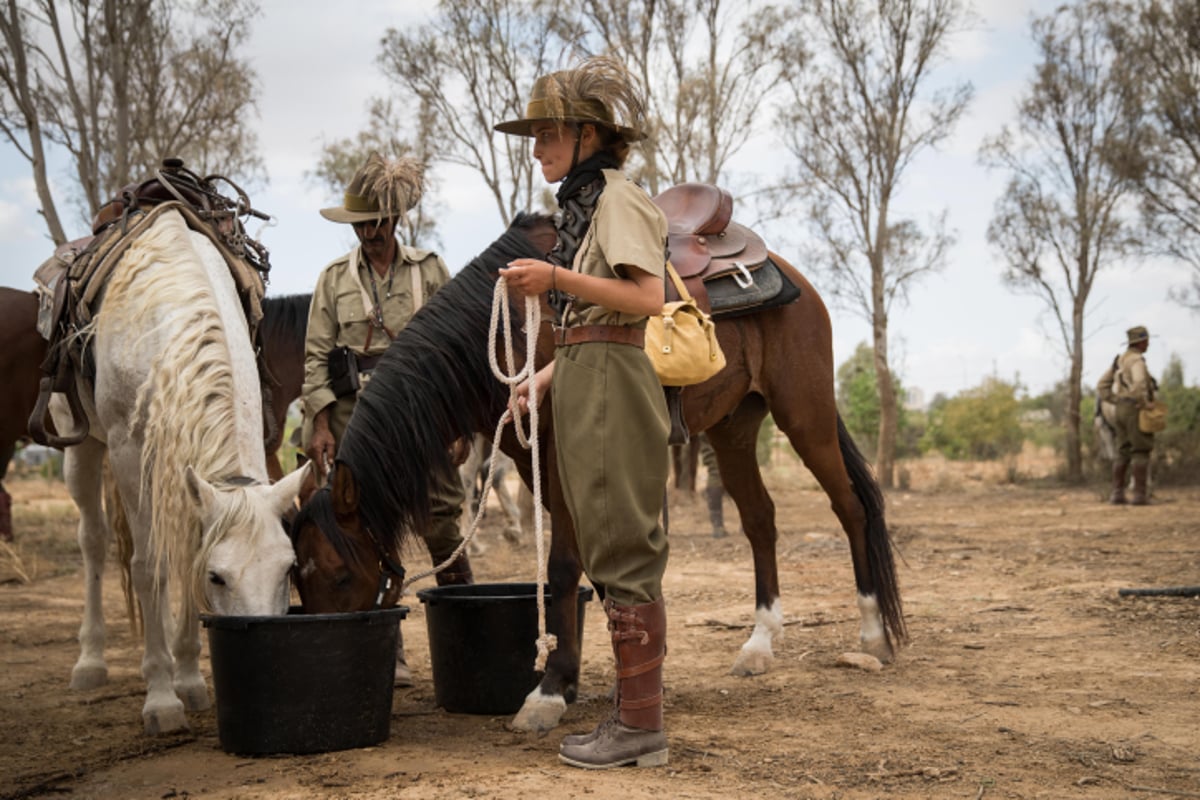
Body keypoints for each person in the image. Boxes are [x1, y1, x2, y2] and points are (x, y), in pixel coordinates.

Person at [495, 56, 671, 769]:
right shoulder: (584, 202)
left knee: (622, 541)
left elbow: (649, 298)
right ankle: (634, 719)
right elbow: (593, 316)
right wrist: (542, 375)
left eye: (546, 135)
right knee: (602, 540)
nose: (536, 149)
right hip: (581, 370)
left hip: (610, 380)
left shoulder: (618, 199)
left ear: (587, 133)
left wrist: (553, 277)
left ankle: (640, 728)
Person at [302, 152, 473, 681]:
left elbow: (458, 348)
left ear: (397, 221)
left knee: (443, 522)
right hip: (359, 422)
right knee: (367, 533)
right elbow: (315, 358)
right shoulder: (332, 280)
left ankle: (467, 642)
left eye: (378, 223)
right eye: (361, 225)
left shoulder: (430, 270)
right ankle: (386, 651)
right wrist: (321, 421)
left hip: (423, 418)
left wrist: (459, 419)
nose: (370, 233)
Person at [1098, 325, 1157, 505]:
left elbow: (1102, 385)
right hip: (1135, 409)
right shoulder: (1137, 360)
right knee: (1140, 449)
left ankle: (1117, 493)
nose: (1148, 344)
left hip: (1120, 410)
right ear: (1141, 342)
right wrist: (1145, 404)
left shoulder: (1120, 360)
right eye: (1146, 340)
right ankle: (1139, 495)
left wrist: (1115, 400)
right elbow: (1139, 384)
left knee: (1122, 450)